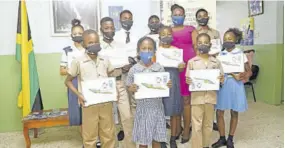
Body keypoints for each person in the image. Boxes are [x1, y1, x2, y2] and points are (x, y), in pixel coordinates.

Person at [65, 29, 116, 148]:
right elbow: (67, 81)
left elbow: (111, 76)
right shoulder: (78, 61)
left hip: (105, 103)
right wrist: (79, 94)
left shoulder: (105, 59)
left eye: (96, 42)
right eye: (90, 43)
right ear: (83, 44)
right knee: (89, 137)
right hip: (89, 104)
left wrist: (114, 91)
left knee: (108, 134)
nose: (94, 45)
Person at [126, 36, 172, 148]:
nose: (147, 51)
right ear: (138, 51)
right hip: (143, 110)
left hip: (157, 109)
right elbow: (128, 85)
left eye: (150, 48)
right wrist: (131, 88)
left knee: (157, 139)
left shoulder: (159, 68)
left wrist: (168, 85)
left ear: (154, 51)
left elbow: (165, 86)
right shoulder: (134, 69)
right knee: (143, 141)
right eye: (144, 48)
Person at [99, 17, 136, 148]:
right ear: (101, 29)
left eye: (112, 28)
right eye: (106, 28)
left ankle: (130, 145)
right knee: (108, 120)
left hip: (120, 83)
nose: (110, 30)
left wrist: (127, 67)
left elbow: (126, 63)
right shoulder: (98, 48)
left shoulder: (121, 46)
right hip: (106, 85)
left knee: (127, 116)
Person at [212, 28, 250, 148]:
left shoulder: (241, 54)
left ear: (236, 40)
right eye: (225, 39)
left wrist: (244, 75)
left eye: (230, 39)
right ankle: (222, 138)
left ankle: (230, 138)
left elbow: (249, 71)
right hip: (223, 84)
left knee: (234, 111)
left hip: (236, 85)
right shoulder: (220, 55)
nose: (227, 41)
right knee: (219, 111)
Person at [186, 33, 224, 148]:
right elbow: (188, 79)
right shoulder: (192, 62)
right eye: (200, 43)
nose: (203, 45)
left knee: (208, 124)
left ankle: (205, 145)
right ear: (196, 45)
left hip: (211, 98)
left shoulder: (216, 62)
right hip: (197, 98)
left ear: (210, 45)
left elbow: (221, 78)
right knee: (196, 125)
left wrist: (221, 79)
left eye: (206, 42)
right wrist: (189, 81)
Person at [170, 4, 198, 143]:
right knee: (176, 100)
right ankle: (177, 128)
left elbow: (197, 47)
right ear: (171, 16)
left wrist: (197, 66)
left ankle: (187, 128)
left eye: (180, 14)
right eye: (175, 14)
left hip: (188, 67)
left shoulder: (191, 29)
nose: (178, 16)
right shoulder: (167, 30)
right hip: (173, 69)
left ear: (184, 16)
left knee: (187, 100)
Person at [158, 26, 185, 148]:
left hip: (174, 80)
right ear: (159, 37)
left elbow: (180, 68)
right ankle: (162, 139)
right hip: (159, 82)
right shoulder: (156, 51)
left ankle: (173, 138)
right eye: (163, 34)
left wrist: (181, 67)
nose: (166, 36)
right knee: (160, 111)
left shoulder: (176, 51)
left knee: (174, 110)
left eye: (169, 34)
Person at [195, 8, 221, 131]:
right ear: (196, 19)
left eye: (204, 15)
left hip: (212, 64)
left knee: (211, 93)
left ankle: (212, 120)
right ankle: (197, 120)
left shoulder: (215, 33)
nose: (202, 18)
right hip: (199, 64)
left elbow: (219, 49)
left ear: (208, 17)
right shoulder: (194, 32)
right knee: (199, 93)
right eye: (199, 16)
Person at [60, 19, 85, 126]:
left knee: (88, 107)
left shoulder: (88, 48)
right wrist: (72, 70)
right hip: (73, 81)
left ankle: (92, 135)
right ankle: (84, 136)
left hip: (87, 81)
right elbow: (61, 70)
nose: (77, 35)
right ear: (71, 35)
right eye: (75, 34)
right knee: (76, 109)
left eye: (80, 33)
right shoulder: (67, 50)